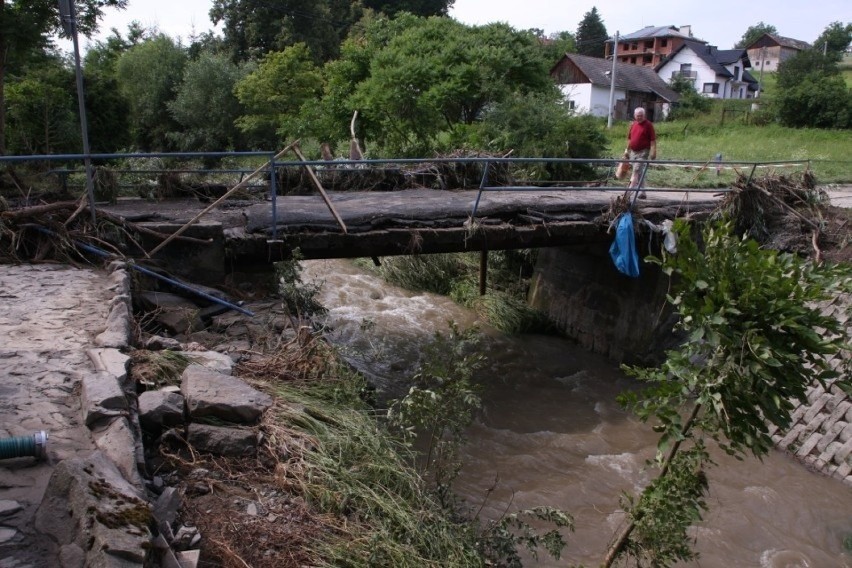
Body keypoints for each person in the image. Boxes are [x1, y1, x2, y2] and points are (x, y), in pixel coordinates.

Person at [623, 107, 656, 198]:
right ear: (634, 116)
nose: (639, 117)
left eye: (641, 116)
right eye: (638, 116)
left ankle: (627, 194)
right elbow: (630, 139)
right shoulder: (633, 124)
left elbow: (653, 140)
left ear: (644, 116)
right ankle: (643, 192)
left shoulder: (648, 125)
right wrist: (626, 150)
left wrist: (654, 152)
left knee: (636, 171)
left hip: (643, 152)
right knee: (639, 172)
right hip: (633, 152)